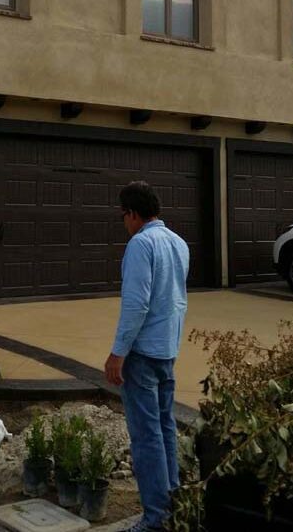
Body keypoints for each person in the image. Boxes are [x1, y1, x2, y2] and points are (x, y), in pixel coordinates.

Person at [105, 180, 190, 532]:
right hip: (167, 349)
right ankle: (174, 502)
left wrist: (117, 354)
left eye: (123, 215)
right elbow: (175, 298)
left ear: (133, 213)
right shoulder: (178, 243)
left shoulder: (141, 244)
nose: (123, 222)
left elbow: (137, 305)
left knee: (146, 436)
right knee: (165, 428)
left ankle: (156, 517)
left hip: (141, 354)